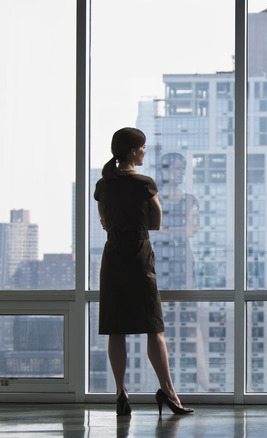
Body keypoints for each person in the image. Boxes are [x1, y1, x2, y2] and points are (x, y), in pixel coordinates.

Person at [94, 127, 193, 416]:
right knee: (154, 328)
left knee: (116, 329)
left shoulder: (103, 185)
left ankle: (121, 392)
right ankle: (169, 392)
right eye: (143, 147)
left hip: (113, 255)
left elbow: (104, 221)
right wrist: (138, 225)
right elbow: (157, 220)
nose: (145, 151)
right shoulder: (144, 183)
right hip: (138, 255)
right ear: (133, 151)